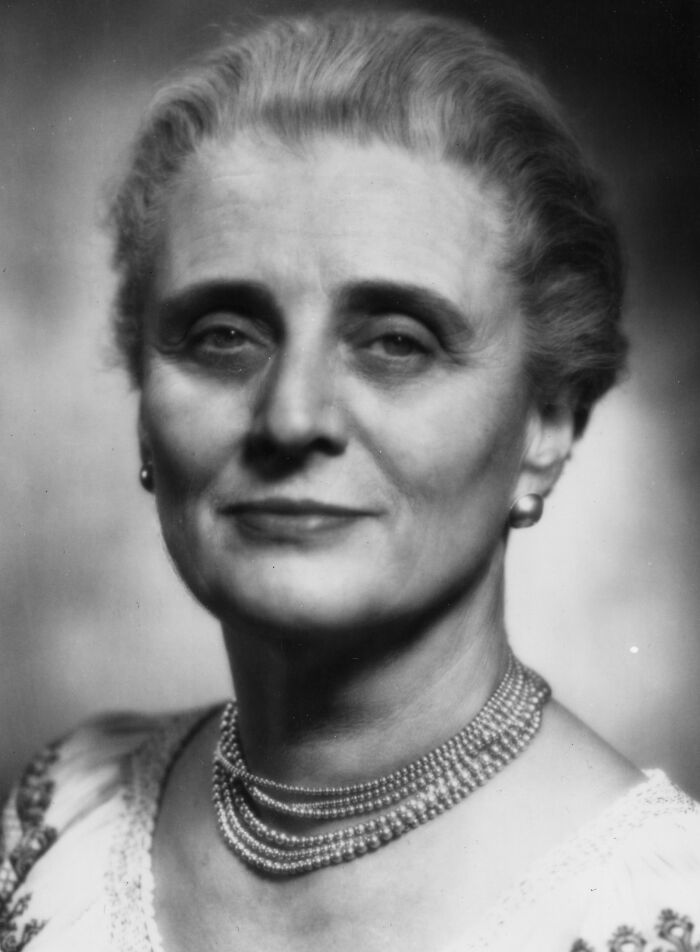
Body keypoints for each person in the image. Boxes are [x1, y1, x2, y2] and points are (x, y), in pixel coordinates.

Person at [2, 10, 699, 952]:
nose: (292, 417)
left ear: (547, 426)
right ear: (142, 401)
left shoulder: (660, 911)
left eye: (396, 344)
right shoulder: (59, 820)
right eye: (223, 336)